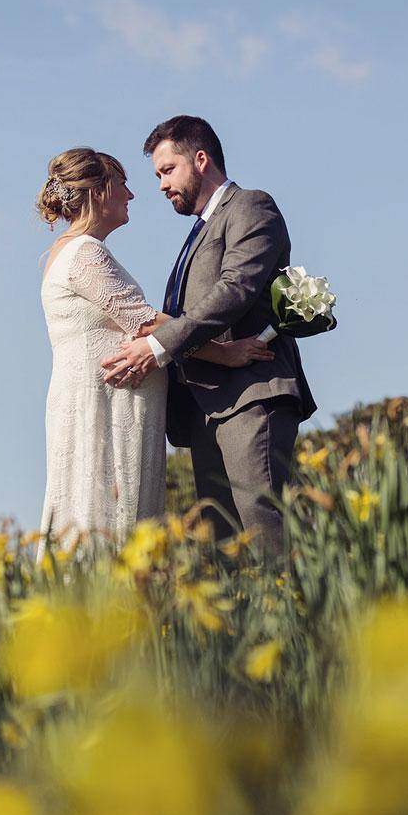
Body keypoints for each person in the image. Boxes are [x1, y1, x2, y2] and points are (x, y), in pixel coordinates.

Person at [101, 117, 316, 555]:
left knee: (266, 531)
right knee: (226, 551)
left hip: (250, 397)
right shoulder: (196, 232)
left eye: (167, 170)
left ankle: (297, 622)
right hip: (203, 410)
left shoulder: (251, 207)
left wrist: (158, 345)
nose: (161, 185)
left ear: (201, 160)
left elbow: (235, 289)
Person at [36, 147, 273, 543]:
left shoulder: (72, 251)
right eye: (123, 184)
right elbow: (146, 322)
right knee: (110, 521)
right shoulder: (85, 254)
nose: (131, 195)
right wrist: (226, 354)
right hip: (105, 414)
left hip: (104, 404)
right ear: (99, 191)